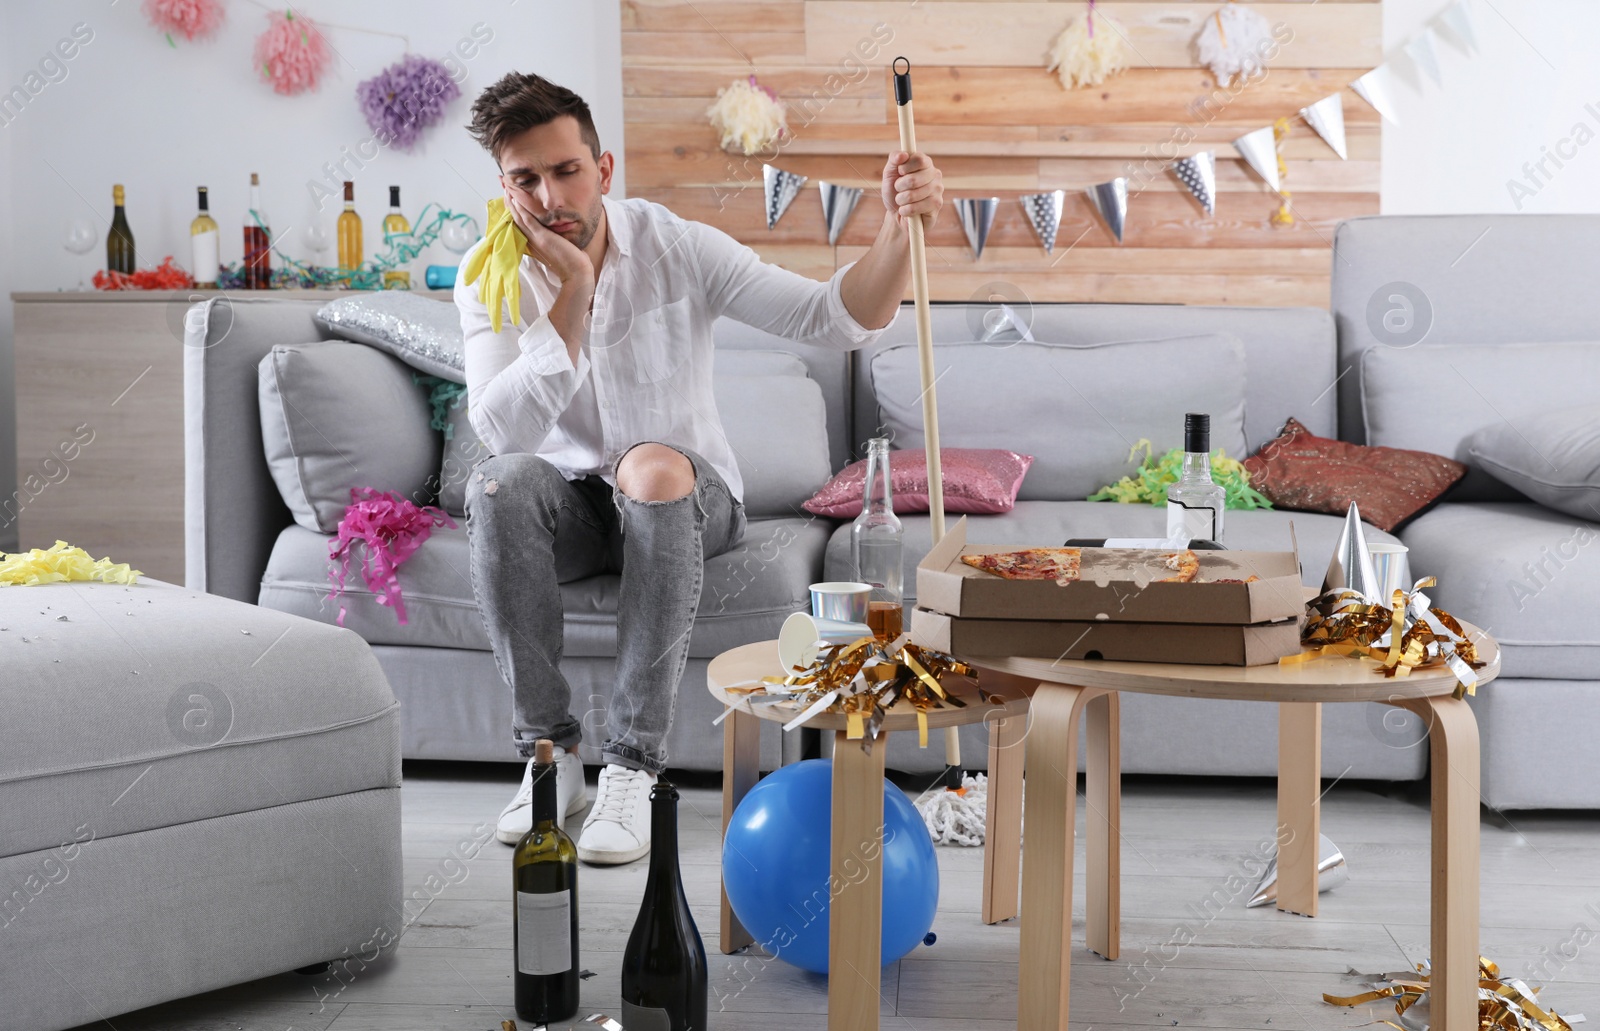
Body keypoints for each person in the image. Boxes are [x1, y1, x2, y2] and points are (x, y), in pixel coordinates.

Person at [456, 70, 944, 864]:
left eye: (566, 170)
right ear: (504, 183)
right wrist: (572, 294)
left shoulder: (673, 243)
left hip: (688, 499)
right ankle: (550, 757)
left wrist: (894, 226)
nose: (550, 197)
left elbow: (835, 316)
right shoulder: (488, 275)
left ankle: (632, 768)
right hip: (575, 513)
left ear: (604, 169)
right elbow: (498, 429)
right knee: (498, 482)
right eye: (526, 178)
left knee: (650, 466)